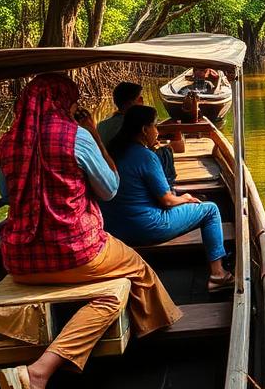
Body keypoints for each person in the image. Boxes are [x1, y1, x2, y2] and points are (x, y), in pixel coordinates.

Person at [0, 73, 182, 389]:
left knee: (112, 280)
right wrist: (95, 137)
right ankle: (151, 343)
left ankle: (47, 368)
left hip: (19, 260)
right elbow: (110, 189)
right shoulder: (76, 136)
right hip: (76, 252)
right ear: (63, 102)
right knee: (133, 272)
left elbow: (7, 195)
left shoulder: (5, 142)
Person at [100, 105, 233, 293]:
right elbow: (167, 200)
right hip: (147, 227)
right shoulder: (146, 156)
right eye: (155, 126)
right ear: (144, 130)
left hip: (113, 229)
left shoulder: (110, 152)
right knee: (210, 210)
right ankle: (218, 275)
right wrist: (186, 198)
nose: (157, 131)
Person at [99, 80, 177, 187]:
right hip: (127, 168)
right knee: (165, 152)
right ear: (129, 103)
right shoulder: (131, 124)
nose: (142, 101)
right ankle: (168, 185)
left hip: (108, 170)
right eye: (139, 98)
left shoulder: (101, 125)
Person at [96, 81, 144, 146]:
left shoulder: (101, 126)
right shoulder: (135, 126)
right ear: (130, 103)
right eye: (140, 99)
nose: (143, 102)